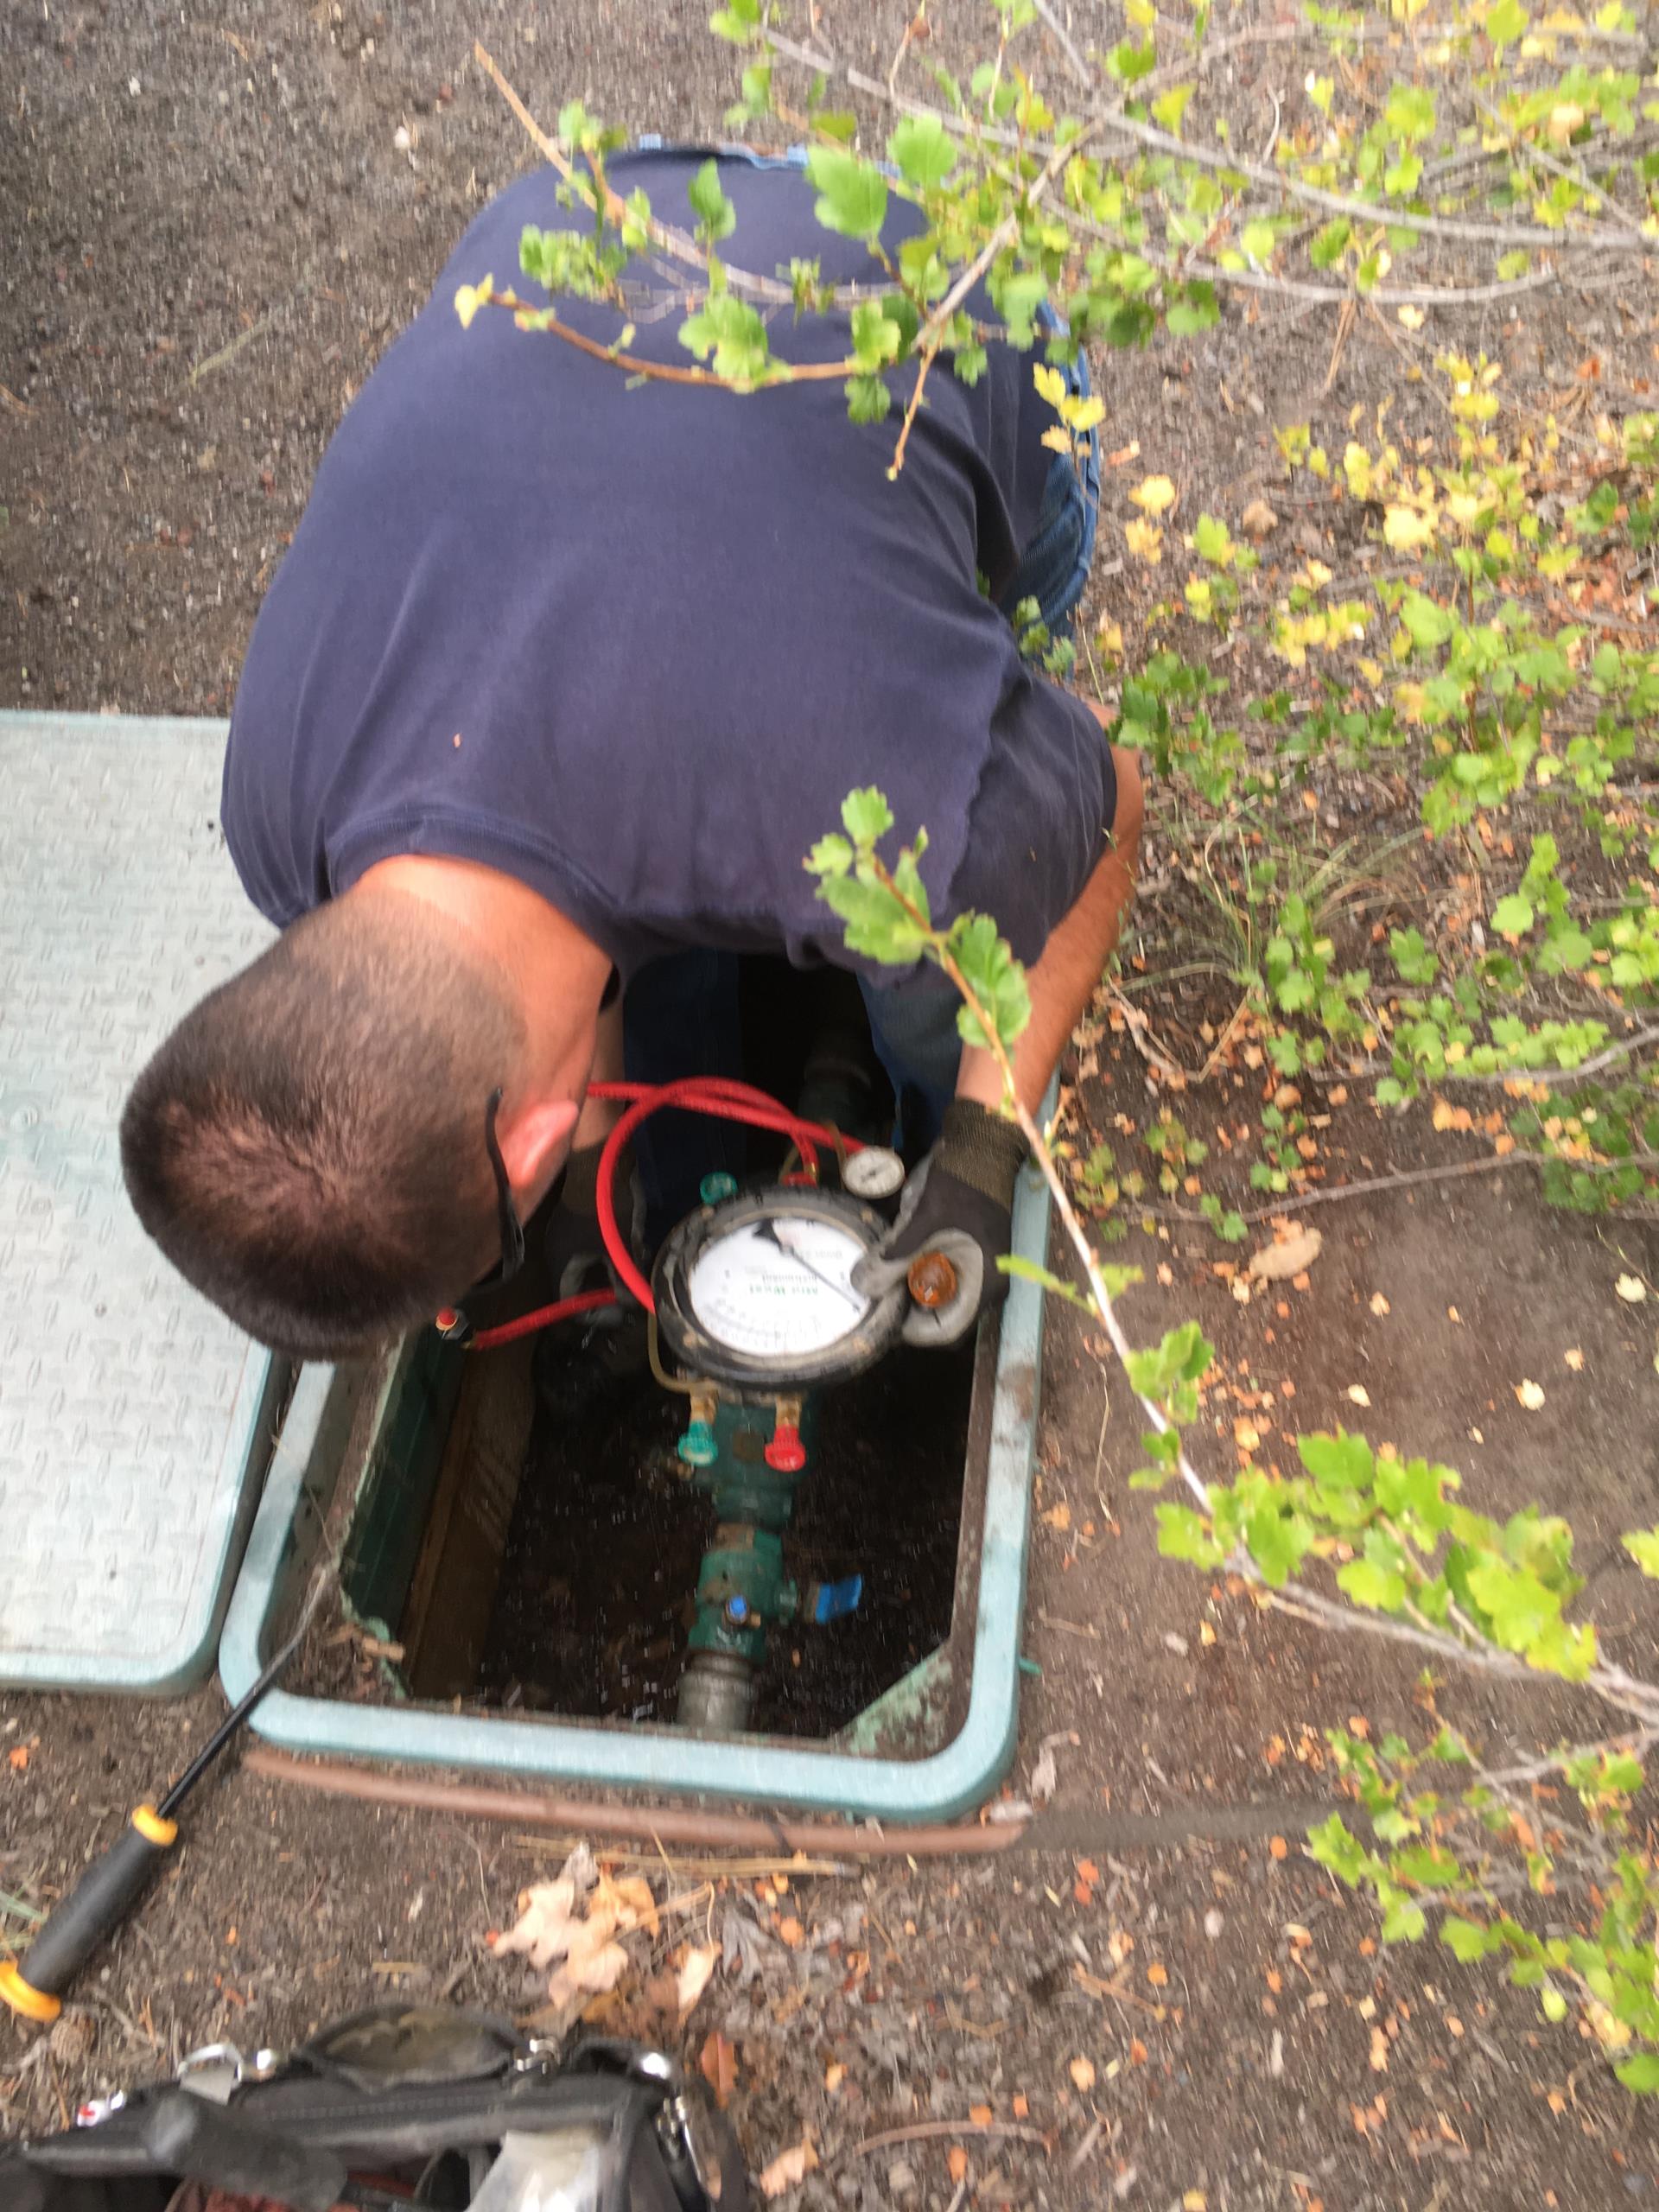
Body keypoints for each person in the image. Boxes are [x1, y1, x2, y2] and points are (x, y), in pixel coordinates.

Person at [119, 144, 1141, 1363]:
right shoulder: (278, 805)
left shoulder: (914, 833)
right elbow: (532, 916)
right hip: (574, 213)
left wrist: (976, 1154)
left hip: (937, 295)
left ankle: (923, 1095)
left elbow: (1109, 806)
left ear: (537, 1144)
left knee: (949, 955)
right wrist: (600, 1152)